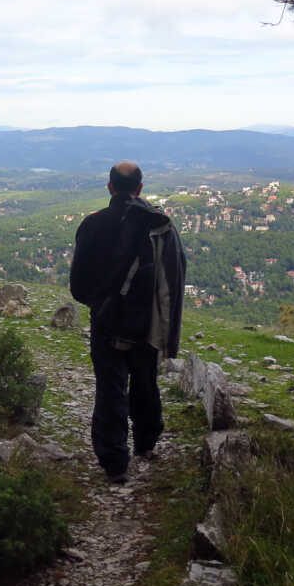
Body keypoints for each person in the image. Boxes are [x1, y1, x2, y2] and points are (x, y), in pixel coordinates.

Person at [70, 161, 186, 484]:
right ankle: (146, 444)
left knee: (110, 387)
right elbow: (174, 279)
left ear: (109, 187)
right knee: (145, 381)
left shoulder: (92, 226)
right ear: (139, 188)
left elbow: (78, 286)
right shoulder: (160, 225)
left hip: (107, 323)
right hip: (147, 322)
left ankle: (114, 461)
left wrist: (102, 303)